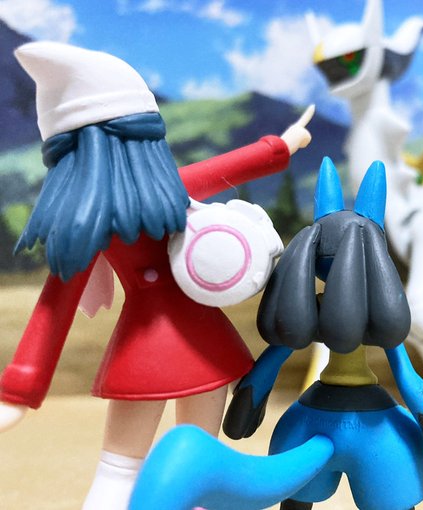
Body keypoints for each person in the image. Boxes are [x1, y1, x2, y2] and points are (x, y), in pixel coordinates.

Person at [0, 41, 313, 510]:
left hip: (152, 353)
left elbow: (53, 307)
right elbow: (54, 309)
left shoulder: (108, 216)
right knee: (153, 467)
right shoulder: (127, 209)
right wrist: (18, 391)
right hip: (193, 346)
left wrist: (19, 392)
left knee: (128, 468)